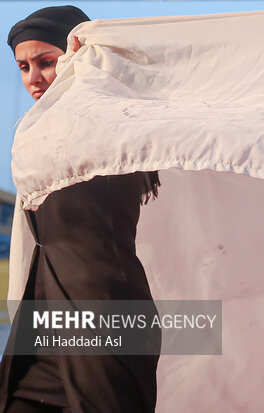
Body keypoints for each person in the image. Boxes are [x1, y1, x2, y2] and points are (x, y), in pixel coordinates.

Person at [0, 6, 161, 413]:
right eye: (22, 67)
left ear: (77, 58)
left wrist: (92, 63)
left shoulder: (111, 128)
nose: (32, 78)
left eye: (46, 62)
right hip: (43, 325)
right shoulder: (42, 139)